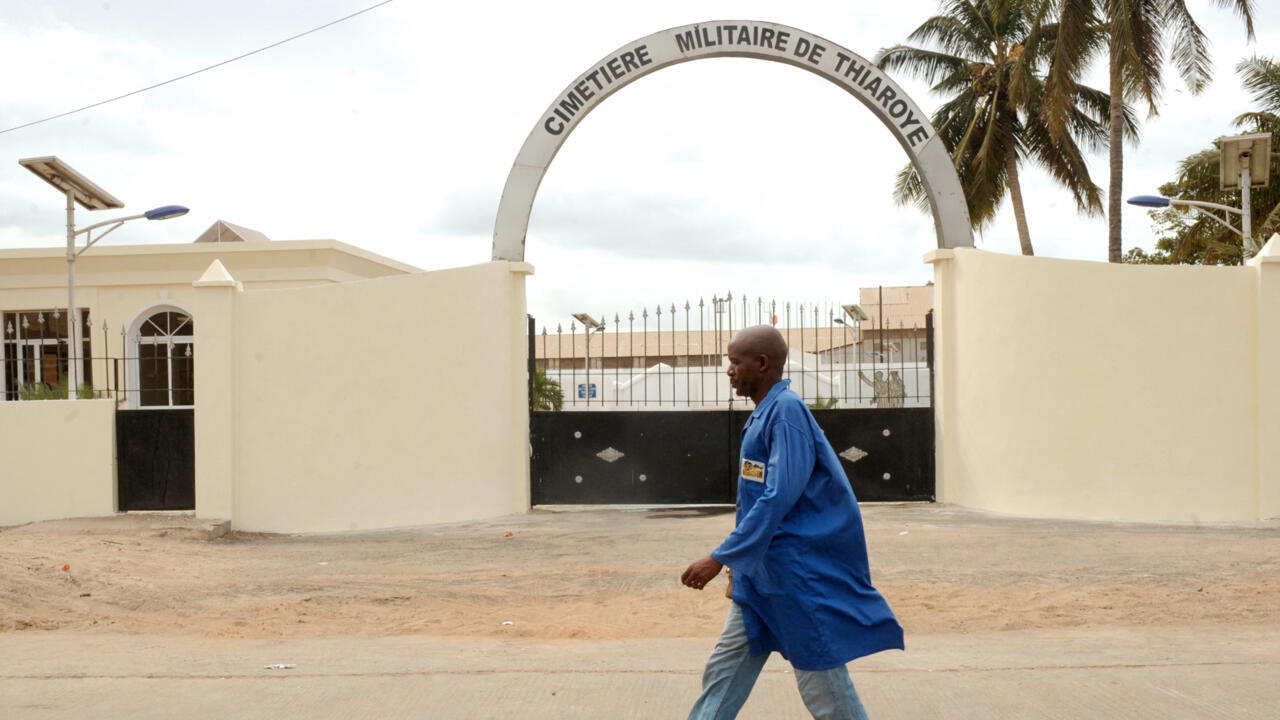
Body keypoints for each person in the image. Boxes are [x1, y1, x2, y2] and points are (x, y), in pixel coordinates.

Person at [682, 326, 903, 719]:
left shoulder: (786, 412)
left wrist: (719, 558)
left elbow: (779, 495)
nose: (729, 370)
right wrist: (739, 567)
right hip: (760, 578)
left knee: (824, 689)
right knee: (723, 673)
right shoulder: (763, 415)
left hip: (794, 579)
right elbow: (754, 503)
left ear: (761, 364)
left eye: (735, 362)